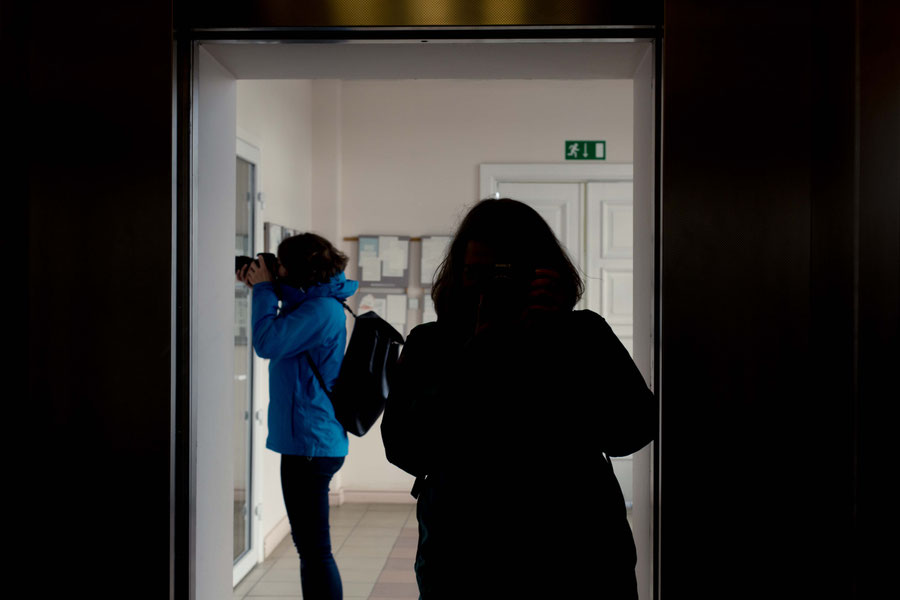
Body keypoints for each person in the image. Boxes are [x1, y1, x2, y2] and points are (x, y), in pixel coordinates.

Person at [381, 198, 656, 599]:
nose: (493, 288)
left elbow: (632, 430)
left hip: (579, 553)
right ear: (459, 274)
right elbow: (405, 449)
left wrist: (561, 339)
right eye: (478, 274)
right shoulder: (433, 344)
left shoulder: (582, 334)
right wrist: (474, 357)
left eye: (506, 274)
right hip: (465, 555)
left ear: (542, 273)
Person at [237, 233, 358, 600]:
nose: (279, 268)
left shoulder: (321, 311)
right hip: (312, 441)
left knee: (314, 550)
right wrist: (267, 285)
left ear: (297, 269)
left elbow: (268, 342)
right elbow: (296, 309)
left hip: (310, 444)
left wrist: (263, 291)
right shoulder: (319, 302)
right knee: (312, 547)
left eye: (283, 264)